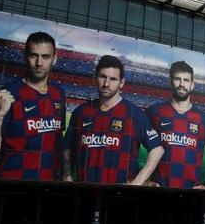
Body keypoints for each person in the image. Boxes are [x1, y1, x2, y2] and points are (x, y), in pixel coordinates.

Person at [63, 55, 163, 184]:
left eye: (113, 79)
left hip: (119, 196)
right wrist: (67, 175)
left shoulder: (134, 114)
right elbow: (67, 148)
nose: (106, 84)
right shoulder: (81, 112)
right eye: (102, 77)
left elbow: (157, 149)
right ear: (95, 78)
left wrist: (137, 182)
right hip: (85, 192)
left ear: (121, 83)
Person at [0, 32, 66, 180]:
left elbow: (58, 139)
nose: (39, 63)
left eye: (45, 56)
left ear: (54, 59)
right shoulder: (8, 94)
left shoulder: (59, 93)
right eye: (34, 55)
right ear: (25, 56)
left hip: (49, 183)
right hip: (14, 182)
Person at [146, 61, 205, 189]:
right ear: (171, 81)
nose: (182, 84)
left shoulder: (203, 119)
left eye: (186, 80)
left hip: (191, 195)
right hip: (159, 191)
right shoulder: (154, 112)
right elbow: (131, 144)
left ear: (192, 85)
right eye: (177, 79)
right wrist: (141, 180)